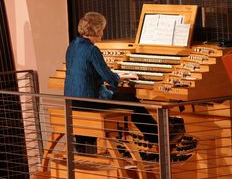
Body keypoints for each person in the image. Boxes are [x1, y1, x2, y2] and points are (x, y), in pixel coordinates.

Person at [64, 12, 160, 150]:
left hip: (72, 101)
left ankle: (84, 147)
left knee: (115, 94)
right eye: (102, 29)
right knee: (130, 100)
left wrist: (118, 76)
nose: (103, 33)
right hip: (89, 102)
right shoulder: (92, 50)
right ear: (96, 31)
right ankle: (157, 137)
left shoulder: (73, 45)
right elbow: (108, 77)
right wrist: (120, 77)